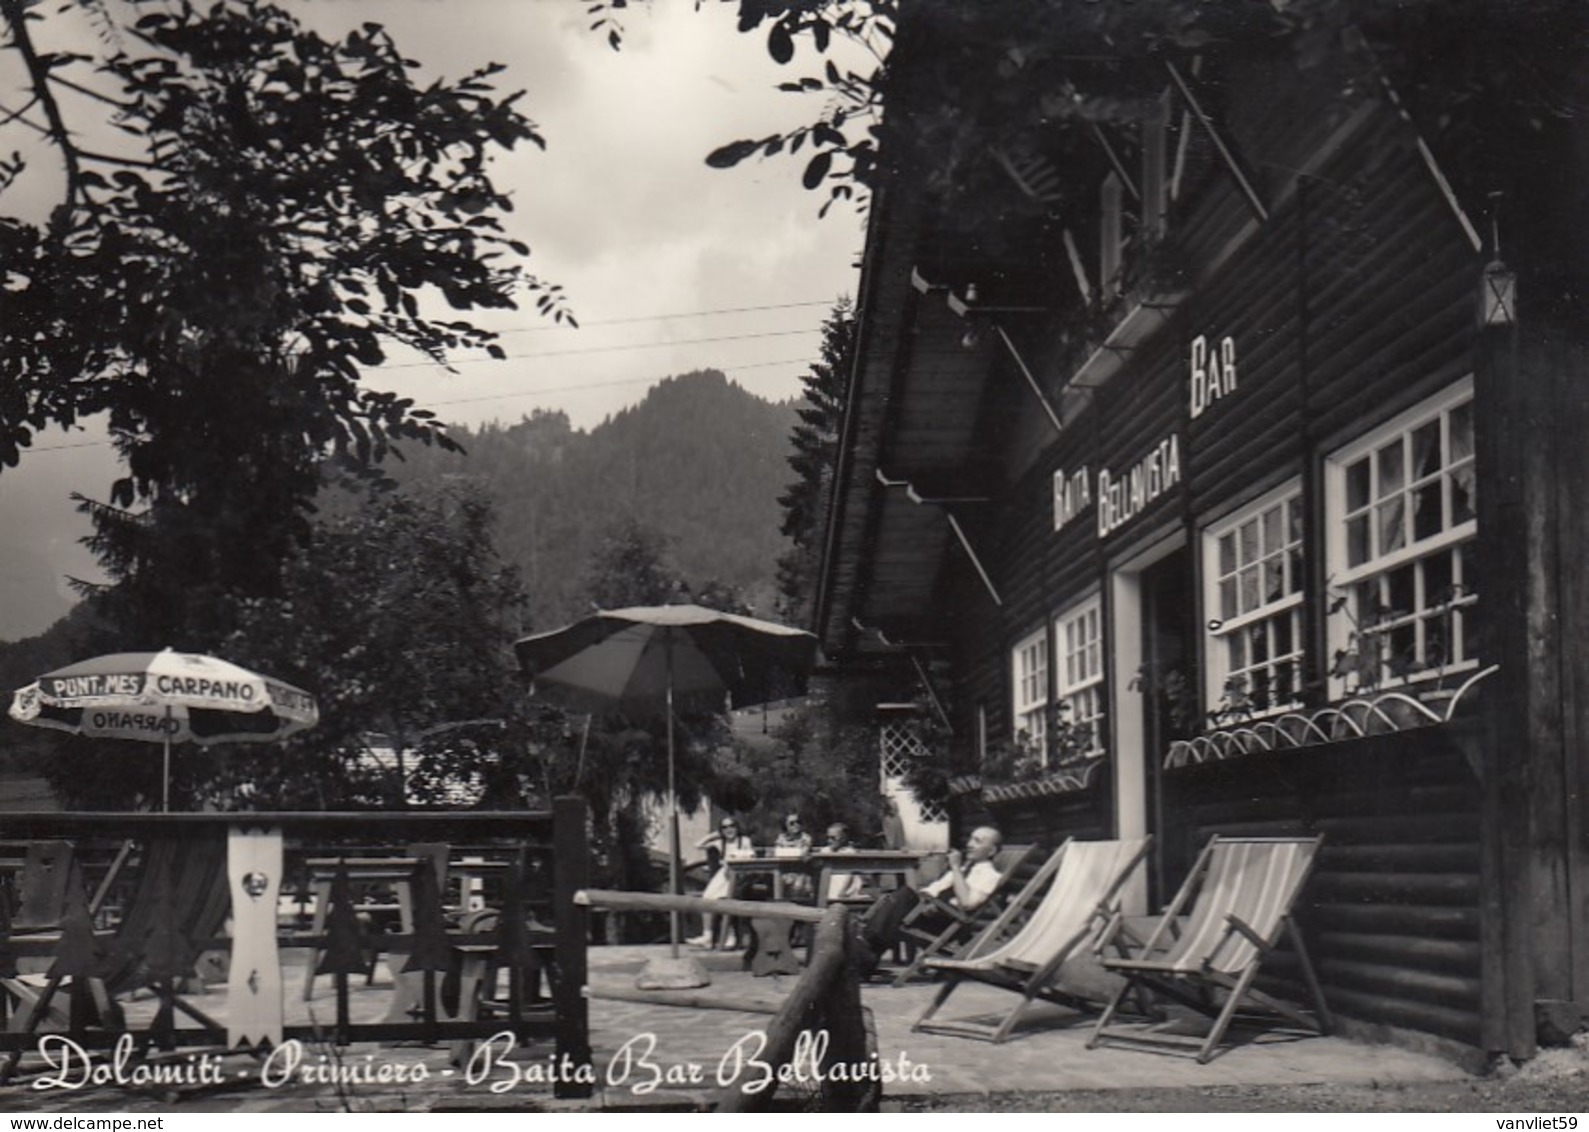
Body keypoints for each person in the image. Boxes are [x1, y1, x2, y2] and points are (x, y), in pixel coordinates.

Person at [854, 825, 1003, 977]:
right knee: (899, 897)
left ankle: (864, 951)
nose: (969, 844)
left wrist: (956, 868)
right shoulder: (965, 869)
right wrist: (926, 901)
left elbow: (967, 904)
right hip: (933, 912)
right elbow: (935, 888)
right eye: (971, 839)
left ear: (991, 851)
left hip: (947, 923)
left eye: (977, 841)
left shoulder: (990, 877)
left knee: (899, 902)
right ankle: (866, 952)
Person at [687, 816, 755, 949]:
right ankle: (707, 935)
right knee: (706, 899)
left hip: (740, 875)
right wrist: (714, 835)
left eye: (732, 826)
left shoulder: (744, 841)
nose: (729, 830)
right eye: (725, 827)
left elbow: (751, 857)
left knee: (725, 899)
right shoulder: (720, 843)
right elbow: (698, 845)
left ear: (737, 827)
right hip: (723, 875)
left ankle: (730, 935)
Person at [772, 812, 814, 901]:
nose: (796, 825)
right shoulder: (781, 838)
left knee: (799, 885)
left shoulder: (805, 837)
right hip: (785, 872)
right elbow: (777, 852)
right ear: (785, 826)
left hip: (801, 872)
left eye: (798, 822)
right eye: (792, 823)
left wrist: (786, 853)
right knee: (776, 882)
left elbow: (802, 853)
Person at [823, 821, 865, 902]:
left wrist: (843, 891)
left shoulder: (849, 852)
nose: (830, 841)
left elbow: (850, 874)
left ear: (843, 838)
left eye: (833, 838)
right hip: (829, 883)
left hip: (844, 885)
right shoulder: (826, 851)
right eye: (828, 838)